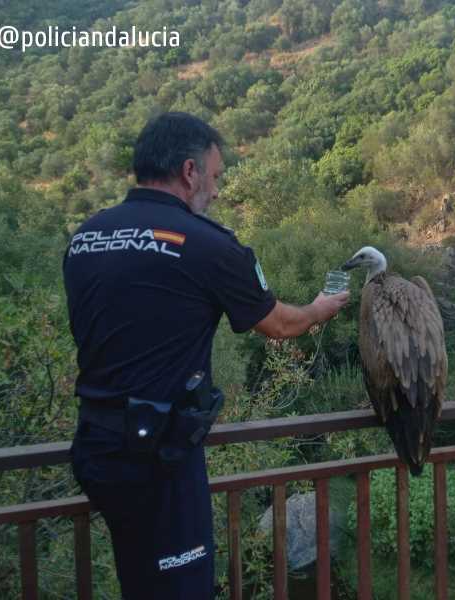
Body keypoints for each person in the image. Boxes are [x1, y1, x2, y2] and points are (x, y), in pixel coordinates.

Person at [62, 112, 349, 599]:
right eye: (214, 178)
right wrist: (321, 309)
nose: (215, 192)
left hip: (96, 448)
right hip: (157, 457)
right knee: (183, 586)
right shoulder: (208, 245)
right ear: (189, 172)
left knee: (140, 581)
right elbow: (279, 325)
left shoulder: (86, 237)